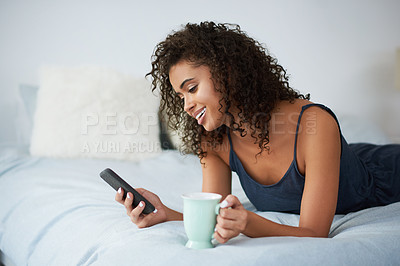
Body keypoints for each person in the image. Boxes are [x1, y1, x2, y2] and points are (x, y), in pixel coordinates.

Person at [115, 21, 400, 243]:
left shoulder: (314, 124)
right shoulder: (213, 140)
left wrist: (248, 222)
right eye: (180, 97)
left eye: (192, 89)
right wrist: (165, 214)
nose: (187, 105)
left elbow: (314, 234)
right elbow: (213, 215)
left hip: (386, 172)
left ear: (227, 72)